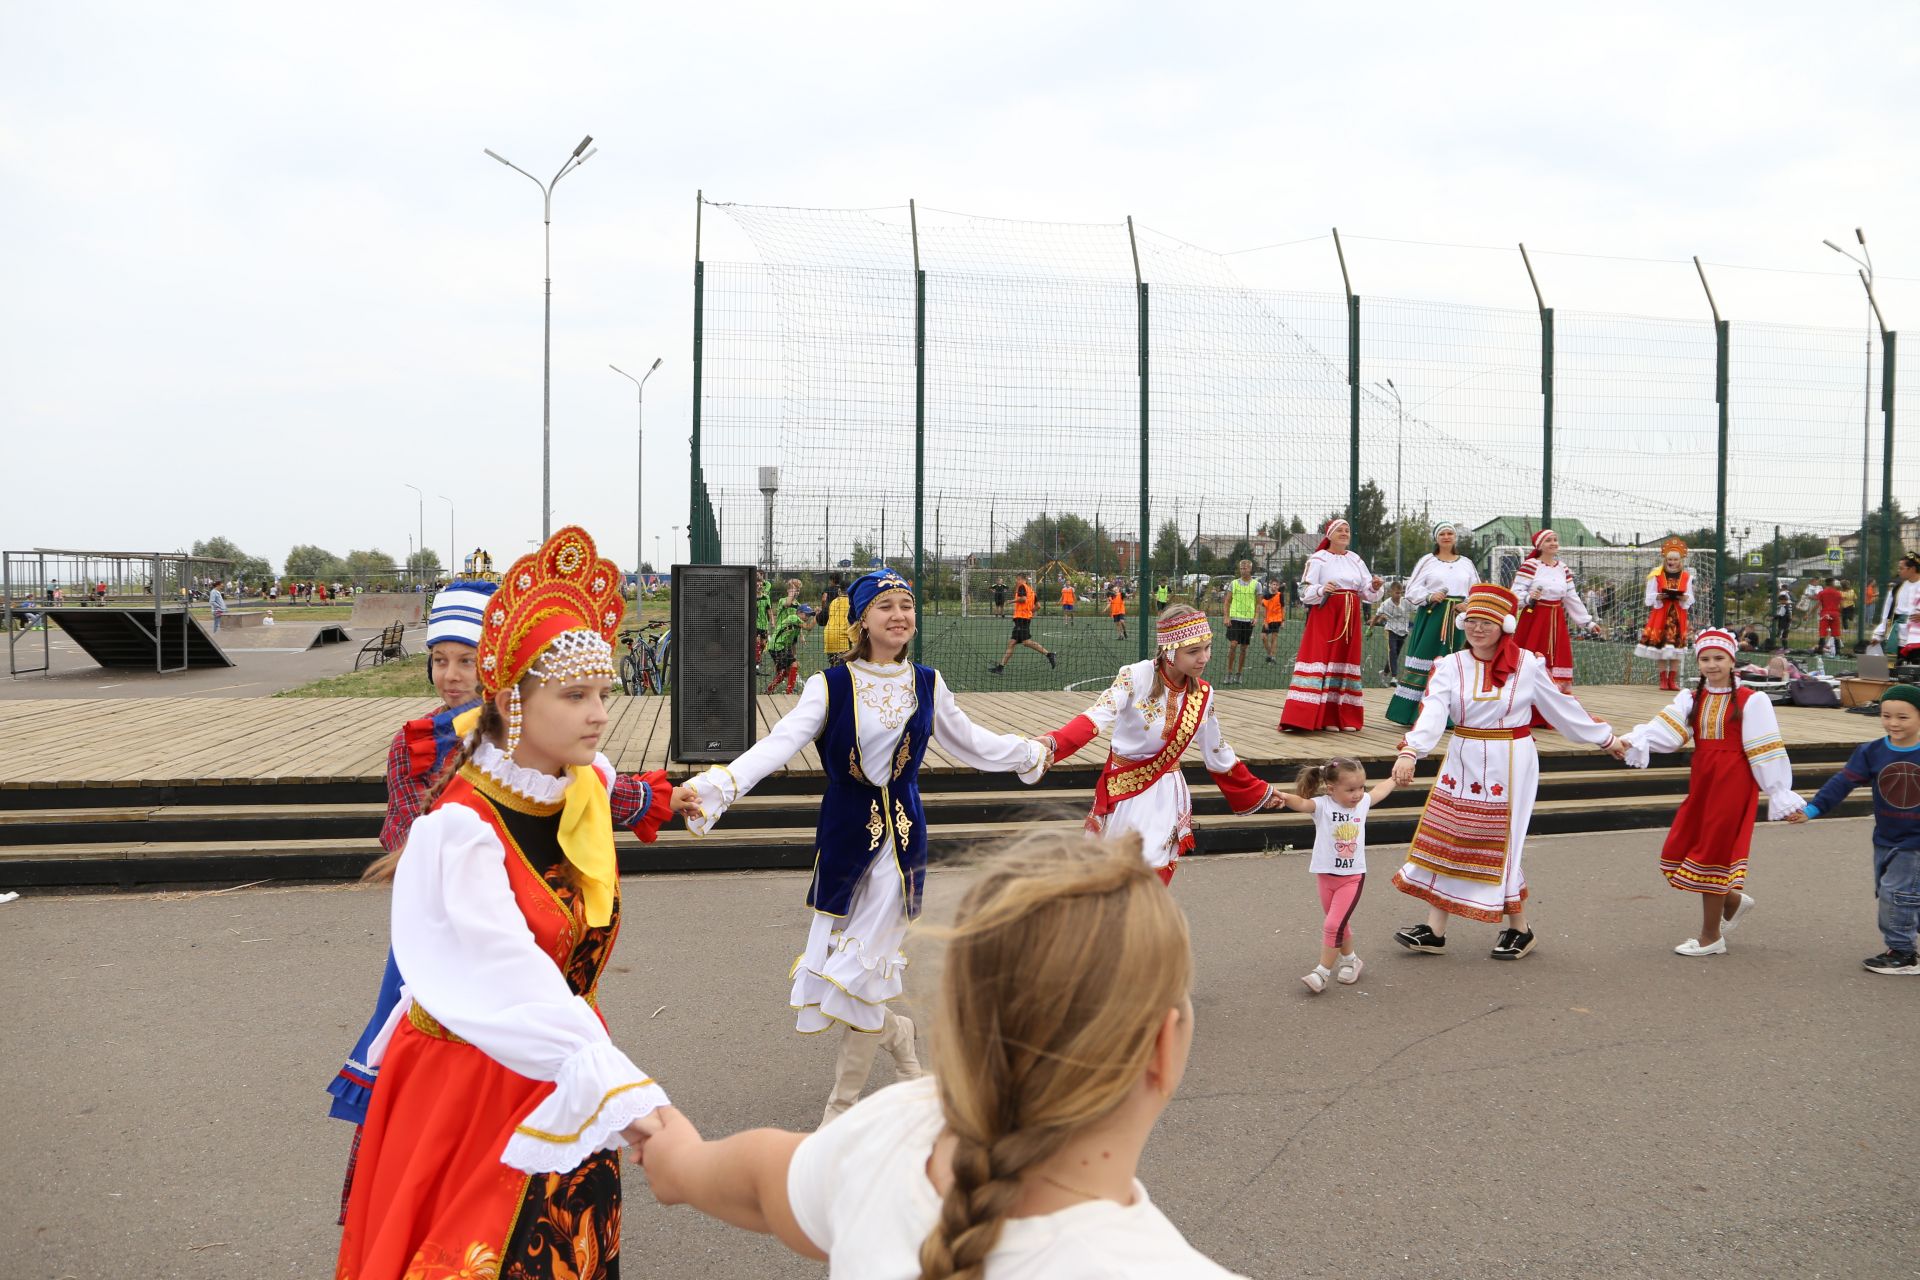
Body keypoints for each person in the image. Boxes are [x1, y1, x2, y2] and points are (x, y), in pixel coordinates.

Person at [633, 831, 1248, 1279]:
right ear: (1163, 1049)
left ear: (960, 1015)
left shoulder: (898, 1126)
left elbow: (765, 1177)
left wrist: (680, 1162)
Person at [337, 527, 694, 1280]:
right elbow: (508, 971)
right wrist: (627, 1094)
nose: (599, 714)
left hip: (565, 1061)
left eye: (604, 693)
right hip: (472, 1083)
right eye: (575, 695)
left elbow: (631, 803)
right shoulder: (459, 830)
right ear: (515, 703)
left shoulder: (583, 785)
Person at [683, 570, 1054, 1122]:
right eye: (885, 606)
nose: (899, 615)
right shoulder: (829, 685)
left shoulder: (928, 683)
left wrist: (1030, 751)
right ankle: (901, 1044)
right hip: (845, 838)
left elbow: (972, 743)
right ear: (862, 619)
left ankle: (841, 1110)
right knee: (856, 982)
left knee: (860, 972)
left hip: (902, 844)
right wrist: (718, 785)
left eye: (906, 604)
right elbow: (779, 744)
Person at [324, 579, 505, 1221]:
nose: (451, 676)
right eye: (439, 659)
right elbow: (407, 844)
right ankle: (404, 1222)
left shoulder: (532, 733)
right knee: (418, 1078)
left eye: (465, 659)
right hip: (432, 947)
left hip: (512, 941)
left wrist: (661, 797)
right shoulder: (417, 744)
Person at [1389, 583, 1624, 960]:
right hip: (1462, 756)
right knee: (1450, 835)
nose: (1478, 629)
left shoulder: (1528, 664)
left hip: (1510, 759)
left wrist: (1605, 738)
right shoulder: (1449, 665)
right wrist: (1411, 752)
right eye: (1472, 621)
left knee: (1501, 841)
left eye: (1487, 622)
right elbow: (1432, 711)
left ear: (1505, 625)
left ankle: (1520, 929)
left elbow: (1561, 707)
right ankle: (1434, 929)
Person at [1041, 605, 1281, 886]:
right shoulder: (1134, 676)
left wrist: (1261, 791)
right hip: (1124, 790)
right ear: (1169, 651)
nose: (1204, 658)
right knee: (1110, 875)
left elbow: (1218, 754)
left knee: (1149, 878)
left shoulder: (1203, 694)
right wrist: (1052, 742)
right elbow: (1096, 716)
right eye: (1193, 652)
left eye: (1207, 647)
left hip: (1166, 793)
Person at [1618, 629, 1805, 956]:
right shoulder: (1692, 698)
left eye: (1719, 658)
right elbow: (1667, 730)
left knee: (1713, 855)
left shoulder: (1751, 700)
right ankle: (1731, 900)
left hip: (1734, 783)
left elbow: (1765, 749)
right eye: (1705, 658)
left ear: (1733, 660)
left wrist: (1779, 793)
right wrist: (1632, 741)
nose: (1711, 664)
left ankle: (1710, 937)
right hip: (1704, 781)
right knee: (1684, 847)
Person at [1786, 684, 1920, 974]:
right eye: (1886, 716)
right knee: (1899, 892)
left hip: (1915, 843)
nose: (1893, 723)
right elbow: (1842, 782)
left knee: (1896, 893)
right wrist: (1812, 809)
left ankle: (1902, 953)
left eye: (1903, 717)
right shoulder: (1872, 752)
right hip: (1886, 836)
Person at [1266, 758, 1396, 992]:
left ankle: (1321, 972)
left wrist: (1395, 778)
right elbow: (1302, 803)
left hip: (1352, 877)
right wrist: (1284, 797)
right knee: (1339, 924)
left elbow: (1379, 791)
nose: (1357, 794)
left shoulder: (1363, 803)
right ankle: (1351, 960)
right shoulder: (1323, 806)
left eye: (1360, 788)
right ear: (1331, 789)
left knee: (1333, 923)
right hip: (1325, 876)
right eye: (1350, 790)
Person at [1278, 519, 1383, 733]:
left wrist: (1374, 586)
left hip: (1350, 614)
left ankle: (1340, 716)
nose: (1344, 533)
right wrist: (1321, 589)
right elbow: (1303, 593)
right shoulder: (1319, 559)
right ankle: (1312, 716)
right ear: (1329, 535)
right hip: (1326, 615)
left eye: (1347, 530)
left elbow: (1366, 592)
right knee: (1321, 657)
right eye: (1339, 530)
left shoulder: (1356, 559)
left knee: (1344, 659)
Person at [1385, 522, 1479, 727]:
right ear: (1436, 538)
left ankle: (1455, 715)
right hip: (1433, 615)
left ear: (1455, 538)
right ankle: (1415, 713)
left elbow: (1476, 589)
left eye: (1450, 533)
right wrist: (1429, 596)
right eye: (1442, 534)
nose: (1446, 537)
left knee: (1458, 661)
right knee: (1428, 658)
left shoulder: (1467, 563)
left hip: (1458, 620)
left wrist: (1467, 604)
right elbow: (1411, 590)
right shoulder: (1428, 561)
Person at [1511, 529, 1603, 716]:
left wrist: (1588, 623)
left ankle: (1551, 712)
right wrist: (1529, 598)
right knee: (1532, 659)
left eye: (1555, 540)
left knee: (1557, 660)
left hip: (1556, 621)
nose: (1553, 543)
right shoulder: (1531, 566)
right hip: (1535, 619)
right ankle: (1526, 710)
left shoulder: (1563, 568)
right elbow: (1514, 593)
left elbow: (1571, 597)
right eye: (1548, 541)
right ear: (1539, 545)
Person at [1634, 538, 1694, 691]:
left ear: (1680, 560)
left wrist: (1684, 597)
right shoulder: (1657, 574)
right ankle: (1662, 680)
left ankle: (1672, 680)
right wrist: (1658, 596)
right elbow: (1649, 596)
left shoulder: (1687, 576)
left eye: (1675, 559)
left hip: (1678, 615)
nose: (1672, 562)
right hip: (1661, 614)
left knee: (1675, 649)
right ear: (1665, 559)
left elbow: (1690, 597)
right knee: (1660, 648)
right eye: (1669, 559)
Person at [989, 574, 1056, 675]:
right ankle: (1000, 668)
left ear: (1022, 579)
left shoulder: (1022, 587)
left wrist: (1012, 601)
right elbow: (1038, 606)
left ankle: (1049, 654)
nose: (1016, 581)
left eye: (1017, 579)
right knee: (1011, 643)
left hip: (1021, 619)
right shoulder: (1032, 591)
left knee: (1026, 642)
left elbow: (1023, 599)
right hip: (1023, 619)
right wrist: (1029, 612)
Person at [765, 579, 816, 694]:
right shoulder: (783, 601)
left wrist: (801, 635)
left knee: (788, 666)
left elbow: (799, 622)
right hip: (781, 636)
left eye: (798, 590)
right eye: (794, 589)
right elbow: (788, 604)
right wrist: (791, 593)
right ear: (788, 590)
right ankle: (787, 689)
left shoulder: (798, 606)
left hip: (790, 638)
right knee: (790, 665)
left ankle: (780, 688)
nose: (796, 592)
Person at [1870, 554, 1920, 656]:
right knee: (1895, 668)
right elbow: (1887, 615)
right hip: (1898, 638)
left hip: (1917, 639)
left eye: (1901, 568)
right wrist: (1878, 635)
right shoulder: (1896, 589)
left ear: (1912, 569)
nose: (1899, 571)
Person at [1220, 560, 1260, 685]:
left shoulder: (1256, 584)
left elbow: (1259, 603)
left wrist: (1256, 617)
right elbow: (1227, 601)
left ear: (1250, 569)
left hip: (1248, 620)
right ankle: (1229, 673)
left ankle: (1239, 674)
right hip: (1235, 619)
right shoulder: (1234, 583)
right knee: (1233, 645)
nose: (1243, 570)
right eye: (1241, 568)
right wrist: (1226, 616)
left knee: (1243, 648)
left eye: (1246, 568)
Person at [1369, 580, 1412, 684]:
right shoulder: (1386, 604)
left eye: (1401, 592)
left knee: (1395, 654)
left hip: (1403, 631)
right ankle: (1394, 677)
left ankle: (1384, 673)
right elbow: (1378, 615)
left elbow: (1417, 607)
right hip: (1391, 630)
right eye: (1397, 592)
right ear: (1390, 592)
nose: (1399, 595)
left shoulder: (1406, 602)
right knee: (1392, 651)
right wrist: (1370, 628)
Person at [820, 571, 851, 666]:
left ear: (839, 591)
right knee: (844, 669)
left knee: (835, 666)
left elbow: (824, 600)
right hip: (841, 639)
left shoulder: (833, 602)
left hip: (829, 637)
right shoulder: (851, 603)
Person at [1259, 576, 1286, 664]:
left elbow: (1283, 608)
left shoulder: (1280, 595)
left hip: (1277, 619)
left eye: (1276, 585)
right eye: (1273, 584)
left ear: (1278, 587)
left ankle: (1272, 656)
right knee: (1263, 637)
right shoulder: (1265, 595)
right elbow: (1263, 609)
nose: (1275, 586)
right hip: (1268, 619)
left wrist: (1283, 621)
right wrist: (1265, 621)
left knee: (1274, 638)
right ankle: (1270, 653)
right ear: (1270, 585)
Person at [1816, 577, 1844, 657]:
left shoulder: (1822, 593)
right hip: (1835, 613)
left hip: (1825, 614)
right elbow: (1841, 605)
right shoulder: (1838, 593)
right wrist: (1839, 612)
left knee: (1823, 633)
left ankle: (1820, 652)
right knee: (1836, 633)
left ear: (1826, 583)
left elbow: (1819, 604)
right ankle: (1838, 653)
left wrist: (1814, 613)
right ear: (1832, 583)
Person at [753, 571, 773, 668]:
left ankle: (758, 656)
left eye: (760, 583)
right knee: (757, 641)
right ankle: (756, 661)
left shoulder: (766, 596)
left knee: (763, 643)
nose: (759, 585)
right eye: (757, 583)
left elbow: (769, 610)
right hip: (755, 623)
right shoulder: (751, 596)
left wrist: (772, 621)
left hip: (764, 622)